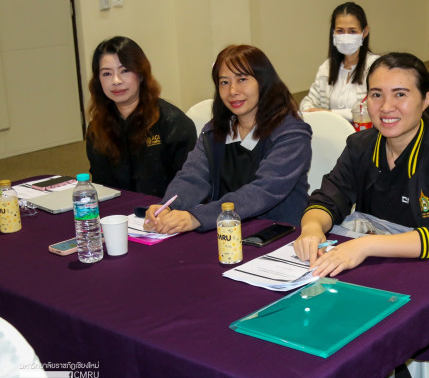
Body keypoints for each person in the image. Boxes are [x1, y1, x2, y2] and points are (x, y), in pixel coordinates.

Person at [293, 52, 429, 287]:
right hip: (382, 266)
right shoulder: (360, 145)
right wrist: (312, 229)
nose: (386, 107)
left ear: (426, 100)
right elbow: (328, 199)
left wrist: (366, 245)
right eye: (376, 95)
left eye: (400, 94)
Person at [145, 45, 311, 234]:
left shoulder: (291, 133)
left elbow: (263, 192)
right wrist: (167, 207)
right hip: (225, 230)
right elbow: (193, 177)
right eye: (224, 82)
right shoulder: (215, 130)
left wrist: (197, 217)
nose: (232, 90)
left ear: (263, 81)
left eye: (242, 79)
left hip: (277, 233)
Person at [85, 36, 196, 197]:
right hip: (117, 210)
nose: (116, 81)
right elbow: (102, 187)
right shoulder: (97, 129)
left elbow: (189, 186)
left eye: (125, 71)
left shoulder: (173, 122)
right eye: (107, 73)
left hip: (165, 209)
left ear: (141, 74)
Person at [299, 2, 380, 121]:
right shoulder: (327, 67)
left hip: (365, 131)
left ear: (365, 32)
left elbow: (373, 109)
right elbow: (308, 102)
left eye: (352, 31)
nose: (346, 36)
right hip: (331, 130)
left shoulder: (376, 66)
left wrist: (329, 114)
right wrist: (310, 111)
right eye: (340, 31)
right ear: (333, 33)